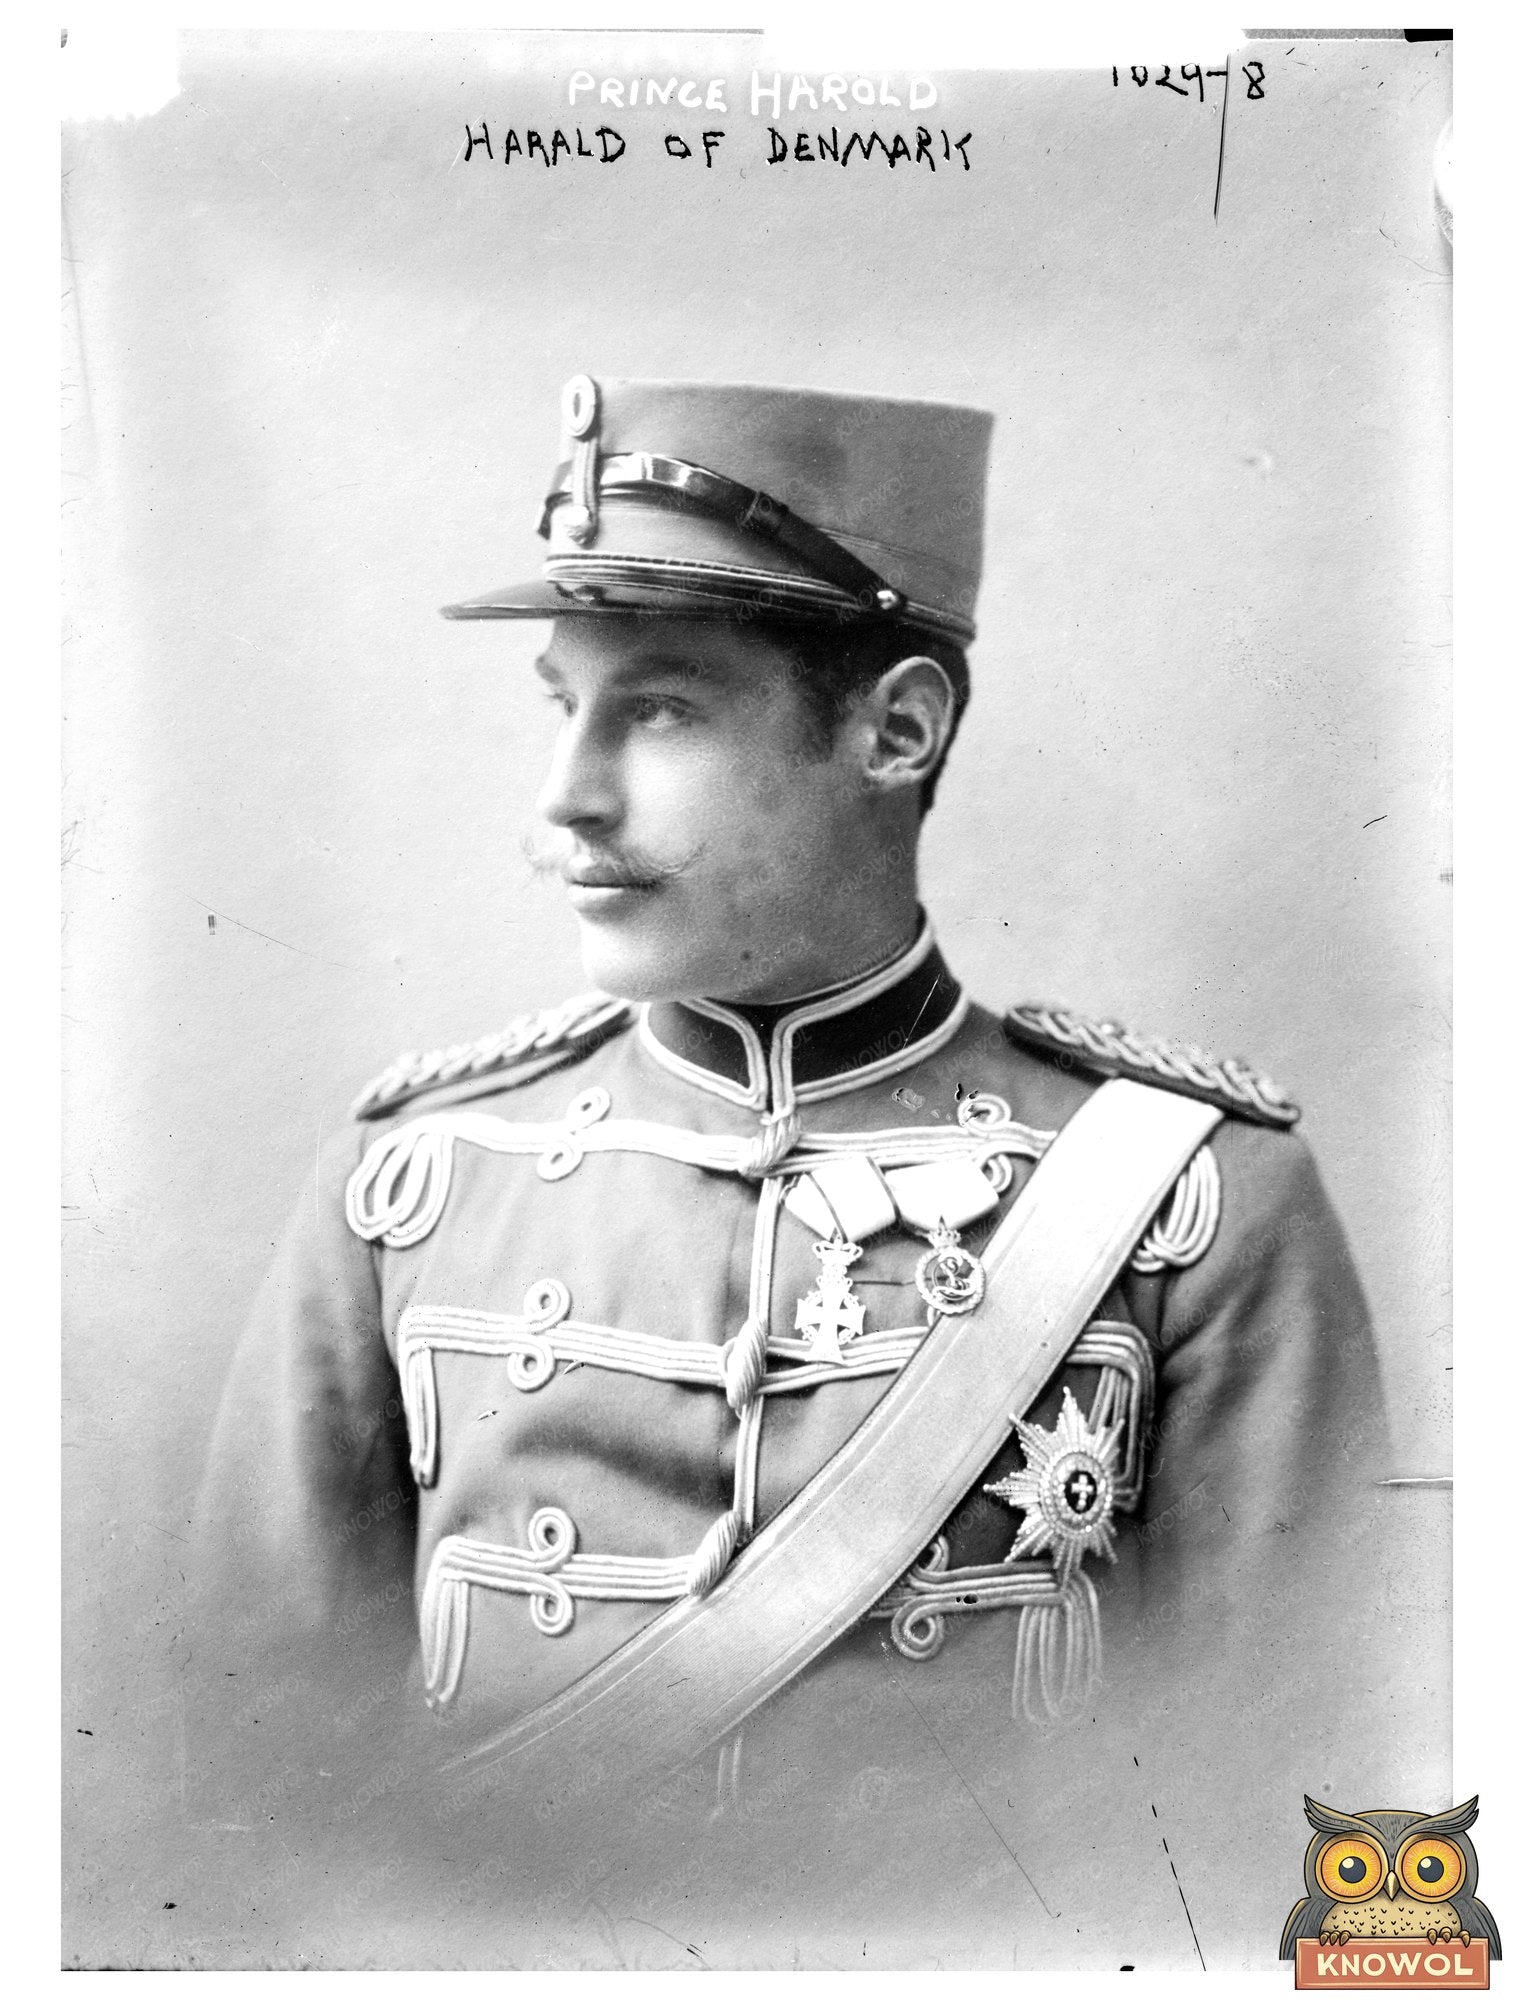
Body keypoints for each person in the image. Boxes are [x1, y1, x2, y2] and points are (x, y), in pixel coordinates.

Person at [192, 376, 1392, 1963]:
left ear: (896, 728)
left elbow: (1294, 1791)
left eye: (664, 710)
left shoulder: (1196, 1196)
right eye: (565, 703)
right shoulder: (418, 1180)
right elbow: (250, 1790)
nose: (568, 795)